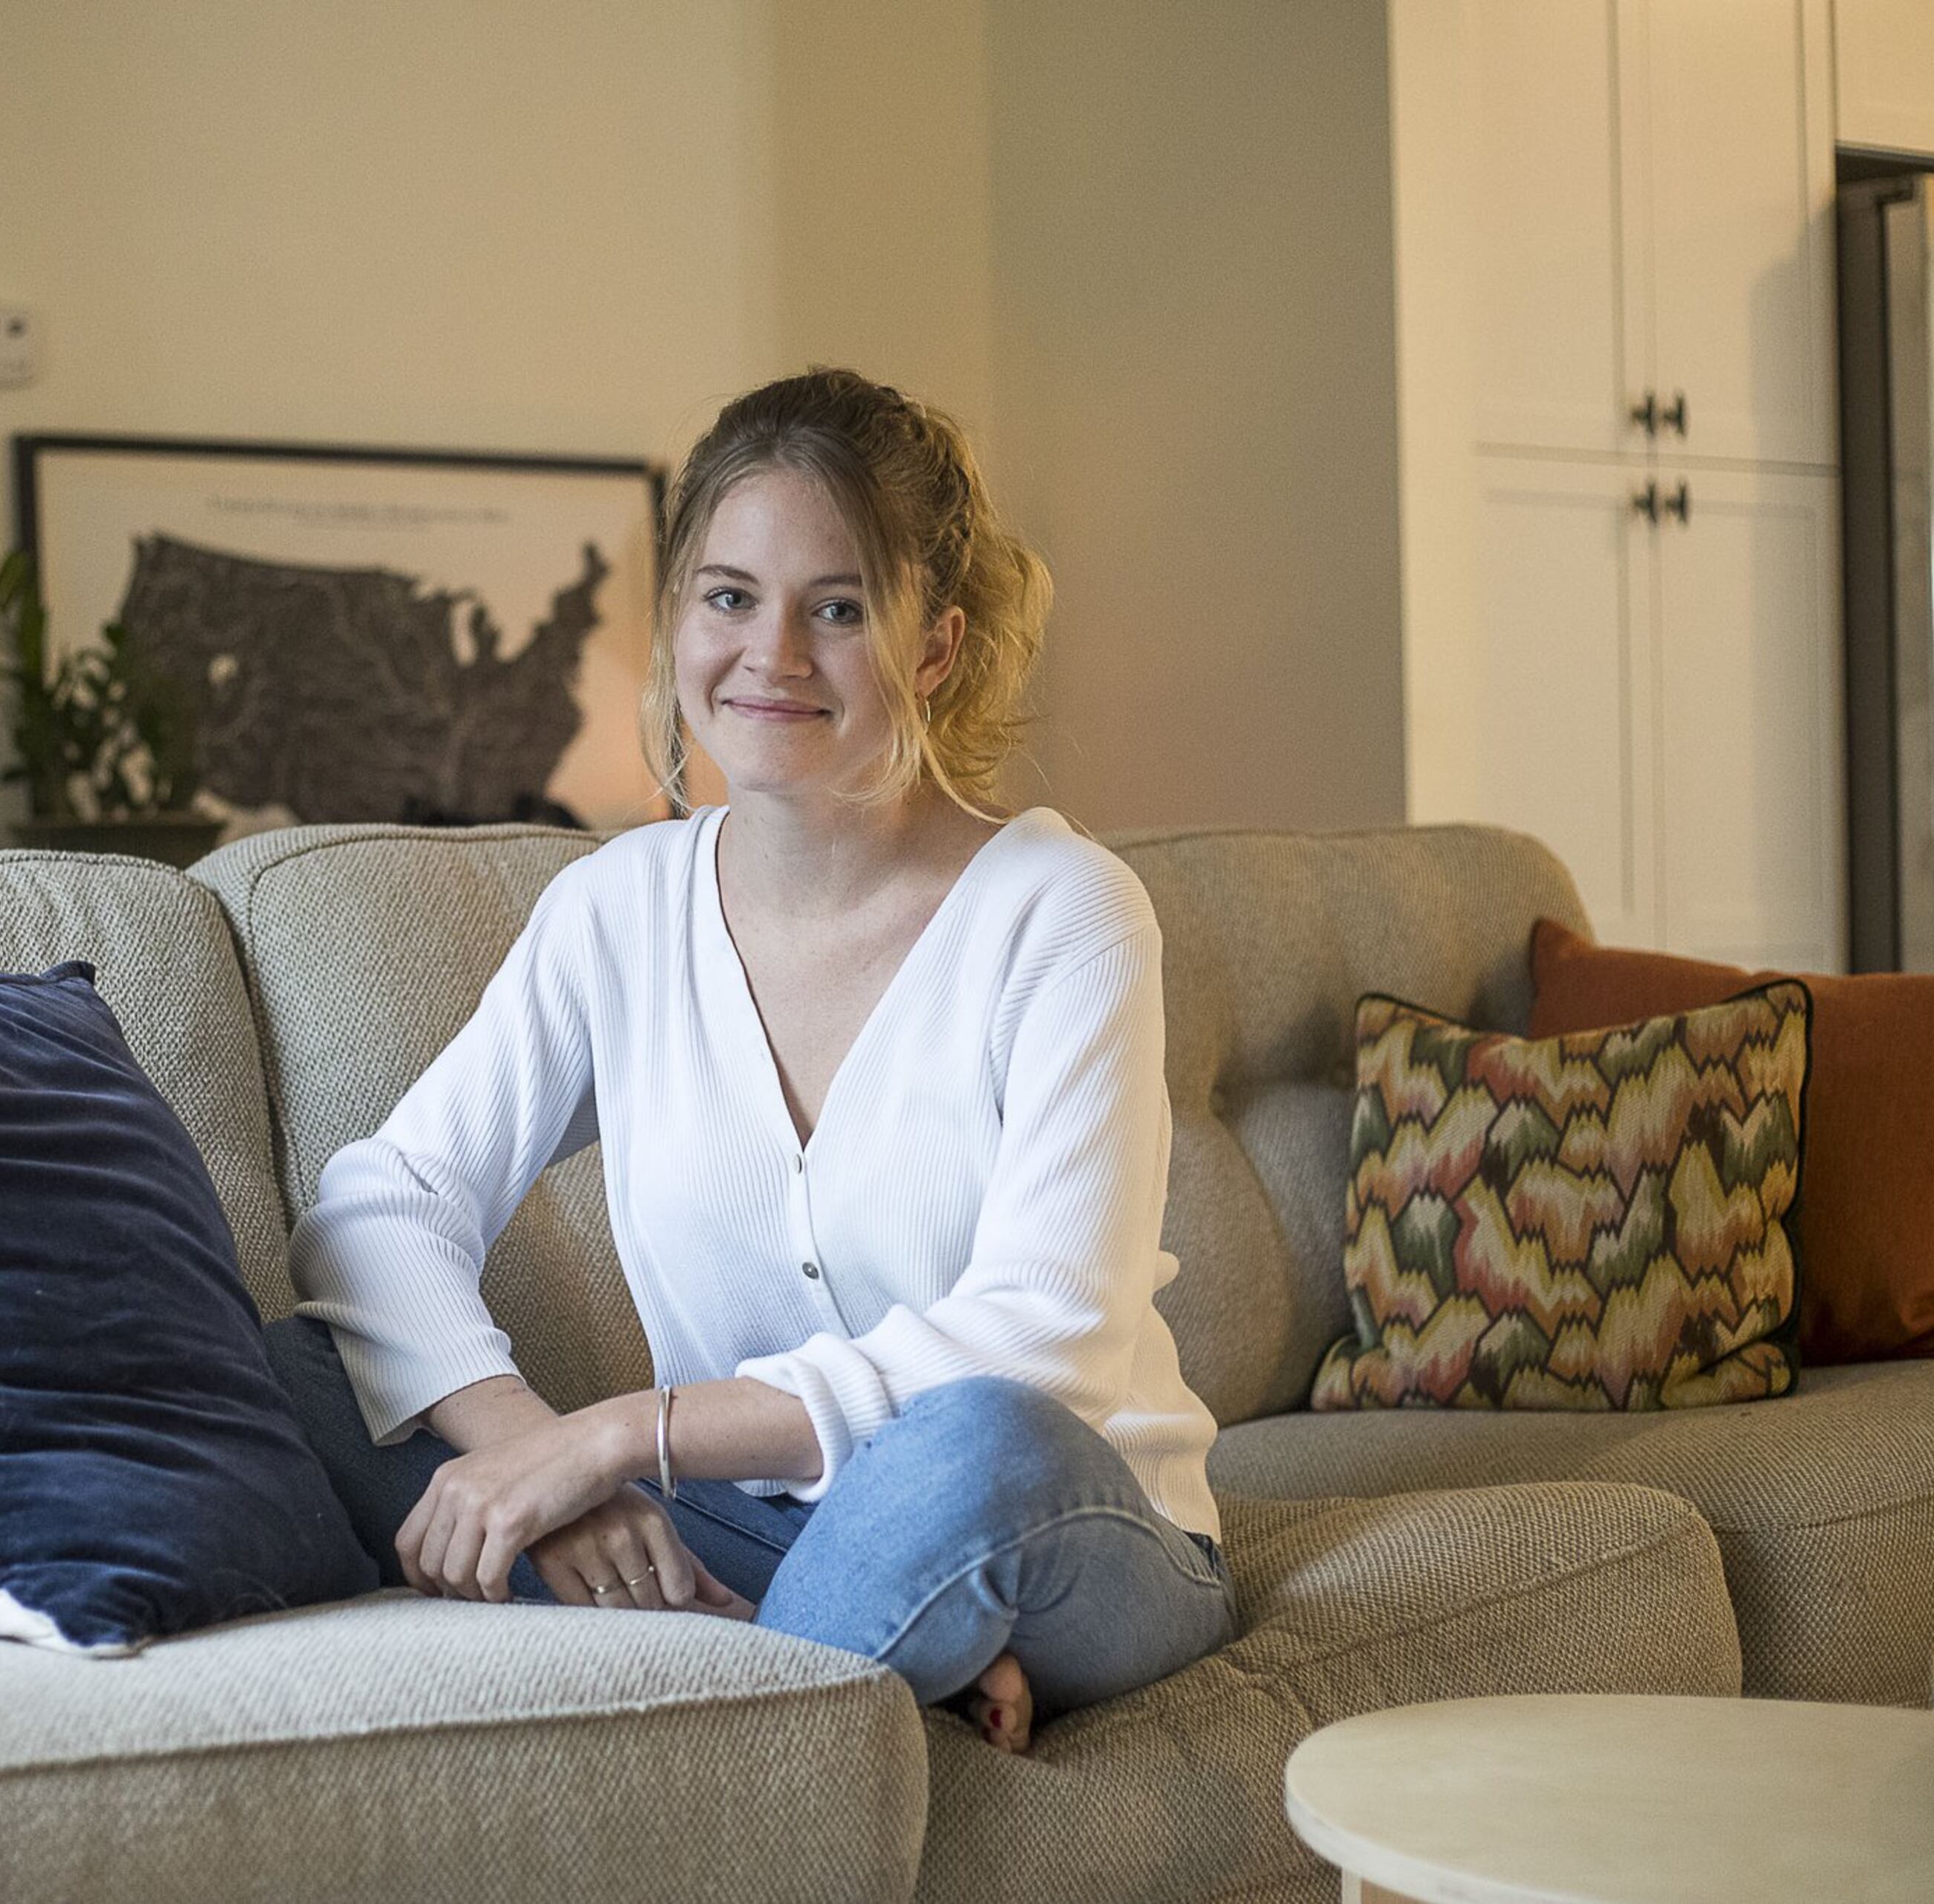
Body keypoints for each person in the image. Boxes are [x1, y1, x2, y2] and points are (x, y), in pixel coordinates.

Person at [266, 368, 1229, 1754]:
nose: (771, 654)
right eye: (729, 597)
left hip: (1065, 1524)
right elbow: (381, 1211)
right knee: (308, 1378)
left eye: (836, 609)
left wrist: (612, 1440)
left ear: (936, 649)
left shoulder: (1062, 911)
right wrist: (532, 1453)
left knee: (970, 1443)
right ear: (675, 625)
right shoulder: (618, 910)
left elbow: (1043, 1345)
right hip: (745, 1532)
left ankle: (753, 1713)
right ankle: (881, 1660)